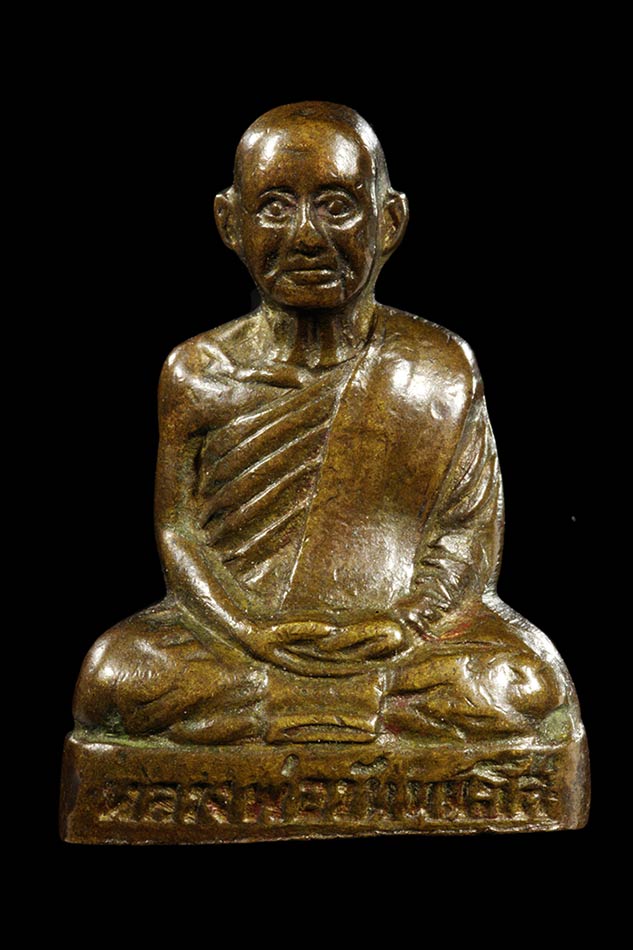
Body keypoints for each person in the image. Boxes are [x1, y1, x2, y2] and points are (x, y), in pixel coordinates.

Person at [74, 102, 579, 745]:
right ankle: (363, 717)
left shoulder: (440, 364)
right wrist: (248, 630)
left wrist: (409, 622)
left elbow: (466, 534)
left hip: (402, 642)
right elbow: (178, 533)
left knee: (526, 682)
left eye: (337, 206)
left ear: (388, 221)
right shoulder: (197, 372)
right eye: (275, 208)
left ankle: (275, 719)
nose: (306, 237)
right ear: (230, 223)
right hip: (240, 641)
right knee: (113, 676)